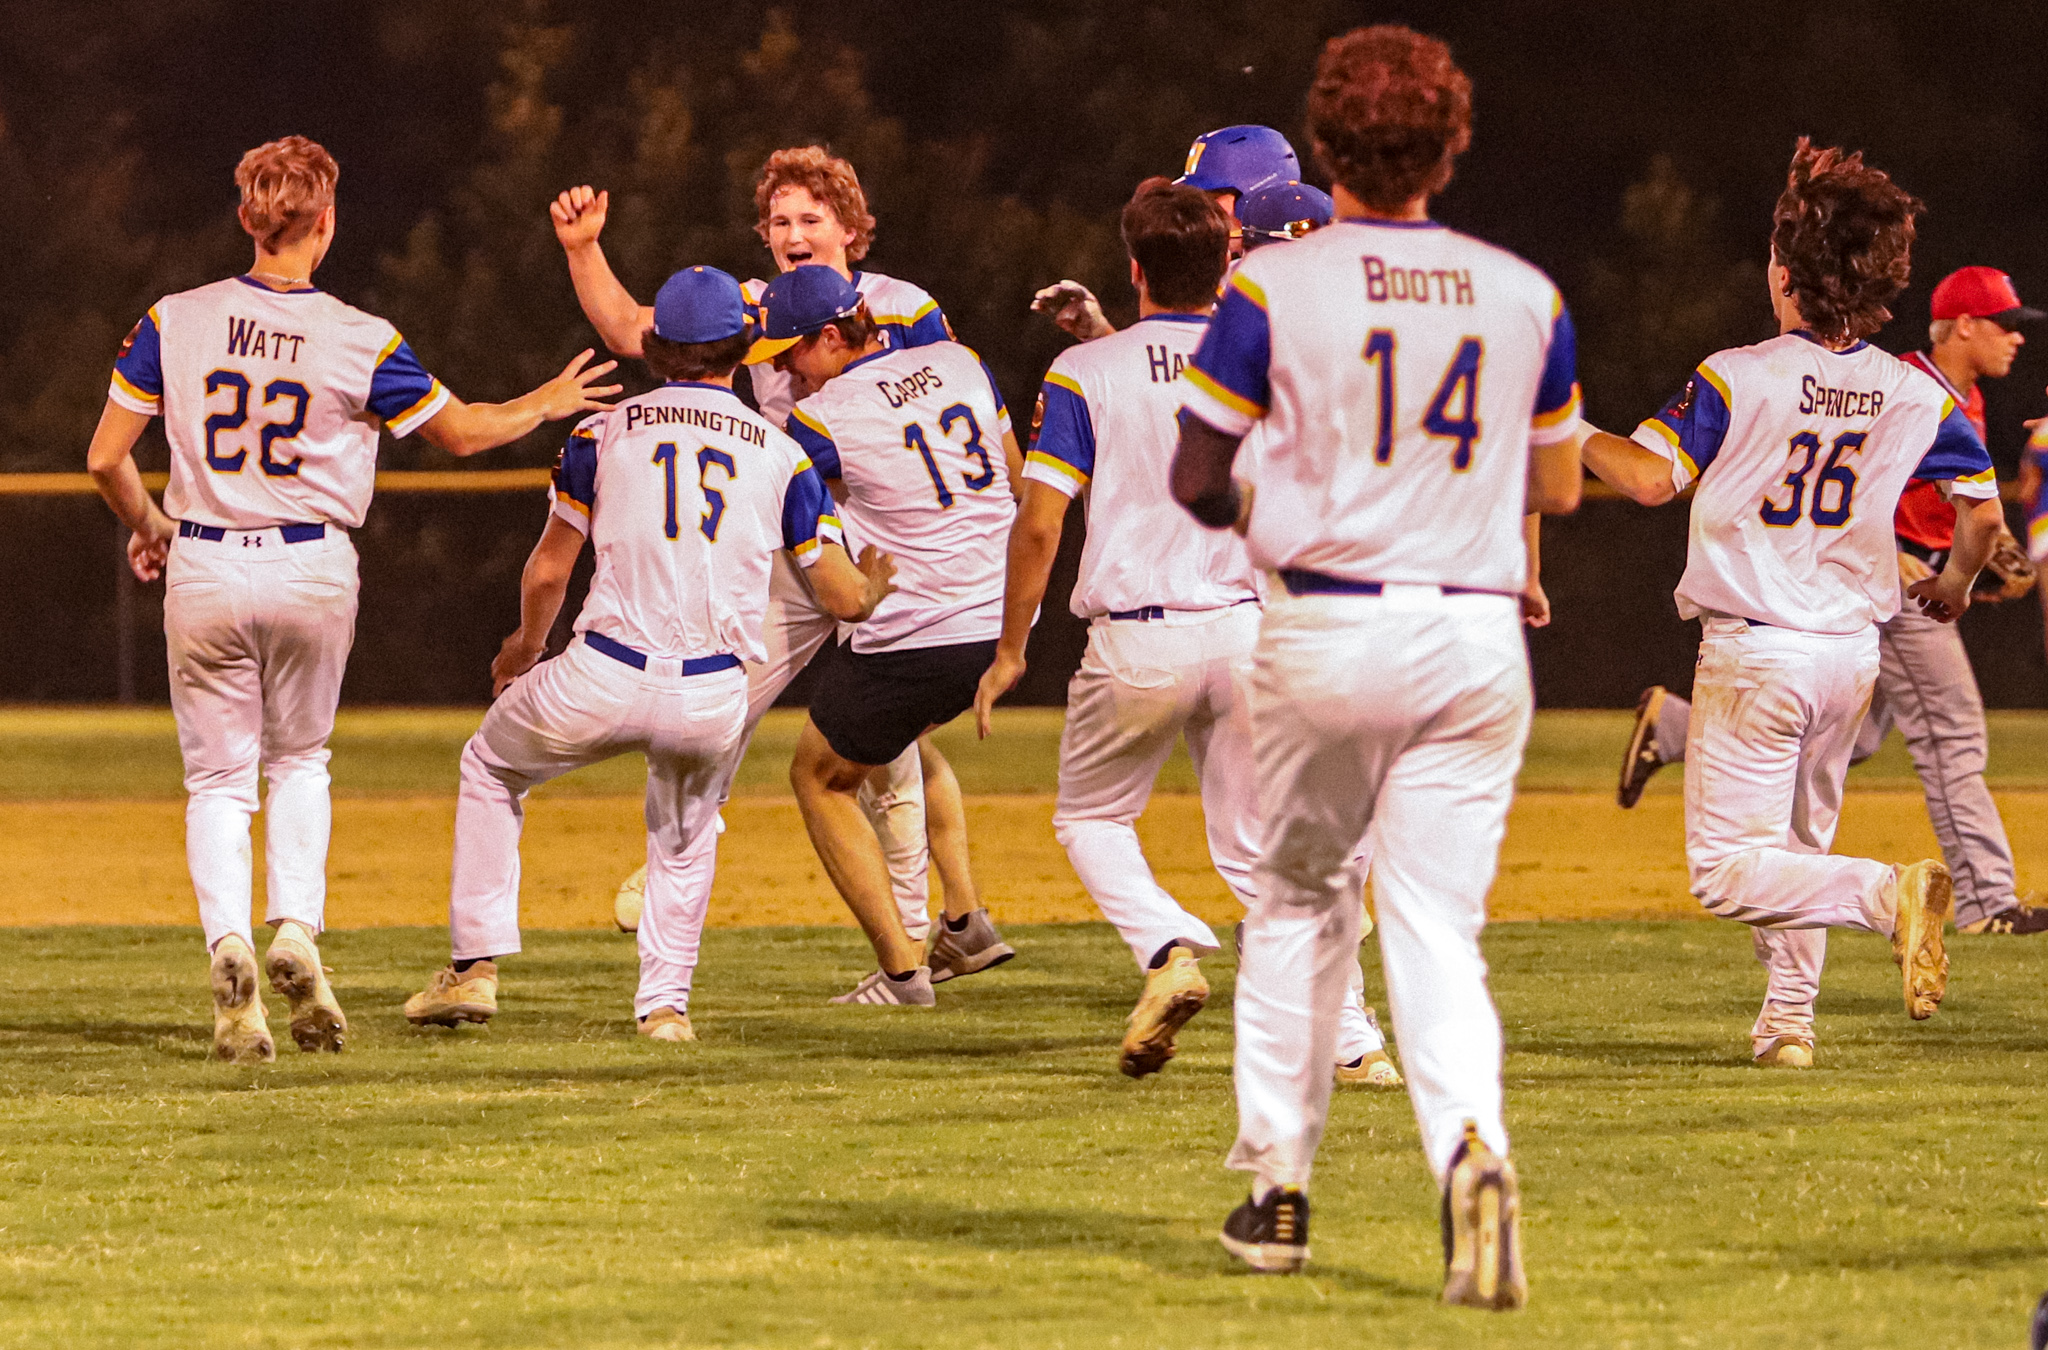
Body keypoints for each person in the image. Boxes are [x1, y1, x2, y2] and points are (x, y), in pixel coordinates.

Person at [1171, 26, 1583, 1307]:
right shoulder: (1525, 293)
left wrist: (1278, 519)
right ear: (1449, 146)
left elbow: (1194, 474)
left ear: (1329, 146)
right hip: (1471, 632)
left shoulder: (1269, 292)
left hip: (1327, 621)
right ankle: (1469, 1148)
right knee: (1435, 927)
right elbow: (1558, 486)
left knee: (1298, 905)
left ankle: (1276, 1189)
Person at [86, 136, 618, 1065]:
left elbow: (104, 458)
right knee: (300, 761)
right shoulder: (358, 335)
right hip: (310, 564)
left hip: (206, 559)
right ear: (325, 222)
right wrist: (543, 400)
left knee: (217, 782)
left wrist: (152, 525)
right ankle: (295, 927)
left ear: (247, 218)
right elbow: (459, 433)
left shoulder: (175, 317)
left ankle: (230, 953)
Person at [1579, 140, 2003, 1071]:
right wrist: (1955, 587)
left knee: (1729, 871)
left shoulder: (1741, 373)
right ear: (1884, 278)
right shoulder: (1913, 391)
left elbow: (1652, 480)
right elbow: (1981, 515)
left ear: (1783, 270)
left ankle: (1885, 894)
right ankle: (1787, 1027)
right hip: (1852, 654)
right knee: (1798, 848)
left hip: (1758, 652)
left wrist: (1567, 429)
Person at [973, 176, 1400, 1086]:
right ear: (1226, 267)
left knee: (1092, 818)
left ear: (1134, 270)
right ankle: (1354, 1042)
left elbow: (1042, 520)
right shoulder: (1271, 361)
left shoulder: (1087, 370)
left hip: (1137, 639)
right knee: (1262, 853)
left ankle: (1168, 947)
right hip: (1248, 631)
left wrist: (1013, 649)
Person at [401, 267, 894, 1037]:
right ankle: (664, 1009)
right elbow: (837, 597)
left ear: (657, 346)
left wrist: (523, 650)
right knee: (685, 831)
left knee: (490, 764)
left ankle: (475, 969)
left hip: (603, 672)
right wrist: (869, 590)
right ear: (742, 348)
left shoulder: (600, 432)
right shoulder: (782, 450)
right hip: (711, 693)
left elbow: (550, 569)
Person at [550, 147, 948, 951]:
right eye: (780, 221)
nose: (794, 233)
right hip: (798, 543)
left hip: (886, 544)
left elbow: (943, 405)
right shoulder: (754, 304)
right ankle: (683, 848)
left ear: (851, 229)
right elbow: (635, 330)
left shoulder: (903, 307)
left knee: (888, 754)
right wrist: (584, 249)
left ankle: (911, 934)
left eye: (811, 218)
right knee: (721, 692)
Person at [1619, 267, 2045, 937]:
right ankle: (1988, 900)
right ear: (1962, 325)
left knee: (1852, 736)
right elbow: (1903, 501)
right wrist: (1940, 572)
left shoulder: (1951, 396)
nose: (2017, 340)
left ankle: (1675, 727)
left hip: (1852, 606)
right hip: (1883, 590)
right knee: (1952, 736)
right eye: (2006, 324)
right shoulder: (1905, 387)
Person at [750, 267, 1022, 1005]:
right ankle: (964, 919)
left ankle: (903, 973)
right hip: (997, 619)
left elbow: (804, 527)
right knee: (895, 741)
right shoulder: (963, 362)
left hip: (918, 633)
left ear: (833, 337)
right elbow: (1019, 482)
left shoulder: (819, 417)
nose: (780, 370)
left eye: (787, 353)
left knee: (819, 776)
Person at [1032, 125, 1303, 342]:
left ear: (1259, 194)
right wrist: (1100, 335)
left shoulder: (1294, 280)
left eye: (1211, 195)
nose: (1198, 207)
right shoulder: (1236, 275)